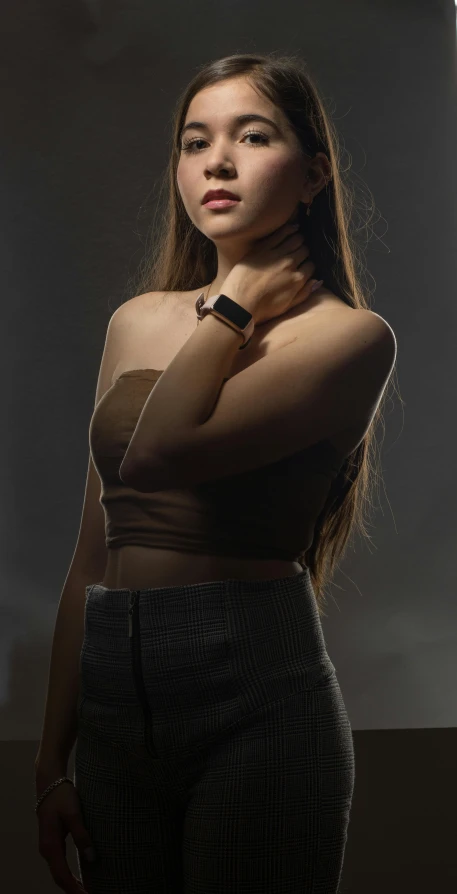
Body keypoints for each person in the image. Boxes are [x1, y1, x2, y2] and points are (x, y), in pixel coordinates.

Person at [35, 52, 396, 894]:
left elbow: (159, 454)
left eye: (252, 136)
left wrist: (231, 306)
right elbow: (92, 558)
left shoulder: (348, 337)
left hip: (257, 704)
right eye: (195, 142)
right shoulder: (135, 321)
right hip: (114, 707)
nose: (217, 162)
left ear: (313, 175)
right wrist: (52, 763)